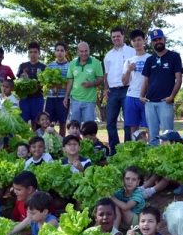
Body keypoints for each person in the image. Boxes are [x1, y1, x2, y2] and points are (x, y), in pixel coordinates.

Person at [140, 29, 182, 146]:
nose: (157, 42)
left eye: (159, 39)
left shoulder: (174, 56)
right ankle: (154, 161)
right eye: (154, 40)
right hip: (150, 102)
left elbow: (178, 79)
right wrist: (141, 96)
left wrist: (172, 96)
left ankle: (169, 160)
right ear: (152, 42)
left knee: (168, 135)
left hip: (165, 102)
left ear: (164, 39)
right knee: (153, 136)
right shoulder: (149, 60)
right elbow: (146, 81)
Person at [104, 27, 136, 155]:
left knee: (128, 123)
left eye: (118, 36)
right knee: (110, 123)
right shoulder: (108, 55)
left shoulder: (131, 52)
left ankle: (127, 151)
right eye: (113, 37)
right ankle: (114, 151)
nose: (116, 38)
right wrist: (106, 88)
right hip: (112, 91)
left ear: (123, 36)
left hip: (127, 90)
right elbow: (106, 73)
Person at [123, 30, 151, 144]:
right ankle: (135, 150)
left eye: (139, 40)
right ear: (131, 43)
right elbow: (124, 82)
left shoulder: (151, 58)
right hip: (131, 96)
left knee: (149, 127)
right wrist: (129, 70)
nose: (137, 43)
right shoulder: (129, 61)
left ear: (144, 40)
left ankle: (151, 149)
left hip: (147, 98)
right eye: (134, 40)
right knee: (133, 128)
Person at [64, 42, 104, 123]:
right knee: (74, 127)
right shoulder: (72, 64)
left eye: (86, 51)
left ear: (89, 51)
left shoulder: (96, 63)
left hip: (89, 101)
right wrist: (66, 96)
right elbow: (70, 81)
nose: (84, 53)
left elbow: (101, 79)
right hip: (75, 100)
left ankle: (87, 136)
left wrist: (91, 84)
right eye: (81, 51)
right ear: (77, 52)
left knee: (88, 128)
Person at [139, 130, 183, 199]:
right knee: (157, 172)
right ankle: (142, 188)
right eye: (161, 139)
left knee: (168, 175)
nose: (161, 141)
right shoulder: (164, 152)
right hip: (167, 178)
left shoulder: (179, 153)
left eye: (164, 140)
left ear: (173, 142)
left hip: (179, 180)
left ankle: (151, 191)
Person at [17, 42, 47, 125]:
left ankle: (36, 138)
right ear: (28, 53)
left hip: (37, 98)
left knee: (36, 123)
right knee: (23, 123)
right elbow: (18, 83)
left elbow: (44, 85)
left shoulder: (43, 67)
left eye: (35, 52)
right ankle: (24, 138)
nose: (33, 54)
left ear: (39, 53)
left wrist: (30, 82)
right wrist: (22, 78)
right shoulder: (23, 66)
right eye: (31, 52)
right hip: (25, 99)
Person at [45, 42, 71, 137]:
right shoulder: (50, 66)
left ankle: (62, 144)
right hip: (51, 98)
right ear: (54, 52)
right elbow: (46, 84)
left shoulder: (70, 66)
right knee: (48, 122)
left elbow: (70, 83)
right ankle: (49, 142)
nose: (59, 53)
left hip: (63, 98)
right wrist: (52, 86)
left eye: (62, 50)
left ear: (66, 52)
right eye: (57, 50)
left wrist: (58, 85)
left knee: (62, 122)